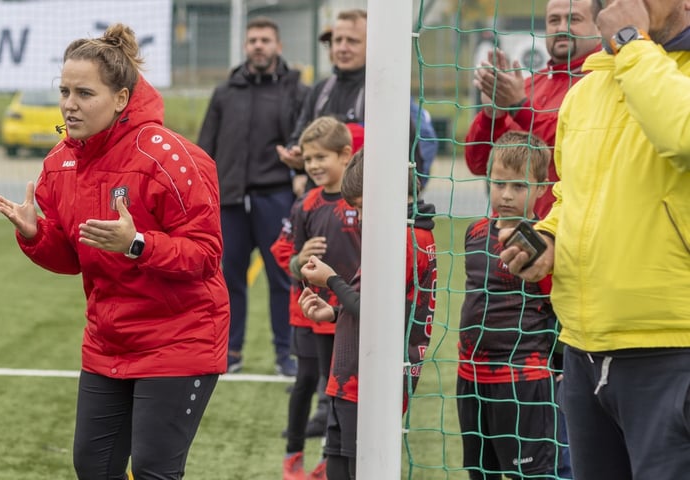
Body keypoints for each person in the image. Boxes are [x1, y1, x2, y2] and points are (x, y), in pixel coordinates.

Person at [0, 24, 228, 480]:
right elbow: (72, 256)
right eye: (64, 91)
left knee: (155, 471)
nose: (69, 104)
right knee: (94, 468)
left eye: (84, 92)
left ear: (120, 98)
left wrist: (137, 244)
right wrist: (36, 235)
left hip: (180, 338)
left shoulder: (171, 157)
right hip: (107, 342)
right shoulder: (59, 162)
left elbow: (205, 255)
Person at [500, 1, 690, 479]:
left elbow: (683, 137)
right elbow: (573, 193)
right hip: (584, 347)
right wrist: (548, 238)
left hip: (672, 348)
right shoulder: (589, 89)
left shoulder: (638, 60)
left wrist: (631, 42)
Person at [298, 147, 437, 480]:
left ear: (386, 194)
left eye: (361, 207)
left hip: (371, 382)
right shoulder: (401, 233)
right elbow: (375, 304)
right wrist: (334, 312)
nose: (359, 217)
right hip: (353, 376)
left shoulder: (404, 239)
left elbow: (375, 313)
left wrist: (330, 279)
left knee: (357, 469)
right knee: (336, 463)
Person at [197, 16, 308, 376]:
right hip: (229, 200)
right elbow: (205, 146)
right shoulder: (225, 92)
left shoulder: (296, 90)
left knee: (282, 277)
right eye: (253, 40)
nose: (258, 45)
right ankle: (230, 353)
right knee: (229, 280)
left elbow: (304, 140)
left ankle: (284, 354)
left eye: (265, 39)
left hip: (275, 197)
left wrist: (300, 173)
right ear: (245, 47)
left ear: (278, 46)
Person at [457, 131, 569, 480]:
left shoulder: (544, 243)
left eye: (518, 186)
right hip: (471, 377)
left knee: (534, 474)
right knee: (480, 472)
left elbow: (560, 306)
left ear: (540, 189)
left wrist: (561, 361)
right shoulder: (475, 232)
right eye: (499, 183)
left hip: (524, 380)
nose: (505, 195)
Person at [464, 0, 602, 218]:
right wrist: (493, 113)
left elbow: (575, 148)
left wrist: (519, 106)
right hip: (510, 237)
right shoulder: (526, 86)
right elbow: (478, 164)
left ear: (599, 26)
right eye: (554, 20)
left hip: (567, 235)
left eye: (574, 19)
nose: (561, 28)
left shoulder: (605, 83)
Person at [278, 9, 438, 193]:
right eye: (337, 40)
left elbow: (415, 156)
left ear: (372, 44)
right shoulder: (320, 91)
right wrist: (297, 155)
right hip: (324, 203)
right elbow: (298, 138)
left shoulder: (387, 93)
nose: (342, 48)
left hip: (368, 202)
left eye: (352, 41)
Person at [280, 116, 360, 480]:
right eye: (308, 159)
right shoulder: (305, 204)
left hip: (344, 314)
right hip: (306, 314)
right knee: (305, 381)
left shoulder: (361, 202)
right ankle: (293, 454)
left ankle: (331, 457)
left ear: (346, 155)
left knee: (336, 390)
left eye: (321, 158)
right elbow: (291, 256)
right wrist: (299, 260)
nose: (313, 166)